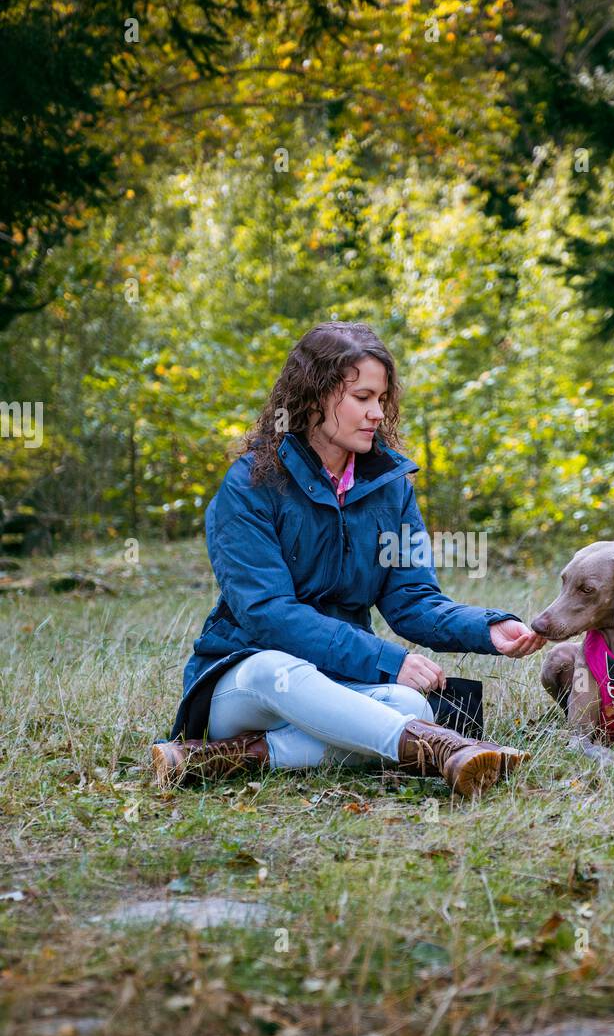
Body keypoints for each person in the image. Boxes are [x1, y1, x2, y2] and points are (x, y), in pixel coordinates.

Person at [152, 321, 547, 797]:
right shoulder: (250, 485)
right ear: (314, 397)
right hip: (245, 681)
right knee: (275, 669)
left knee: (409, 703)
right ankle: (442, 748)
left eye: (381, 399)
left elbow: (411, 599)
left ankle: (237, 756)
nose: (377, 413)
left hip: (337, 681)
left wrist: (486, 628)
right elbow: (267, 615)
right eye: (362, 398)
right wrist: (384, 658)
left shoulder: (391, 487)